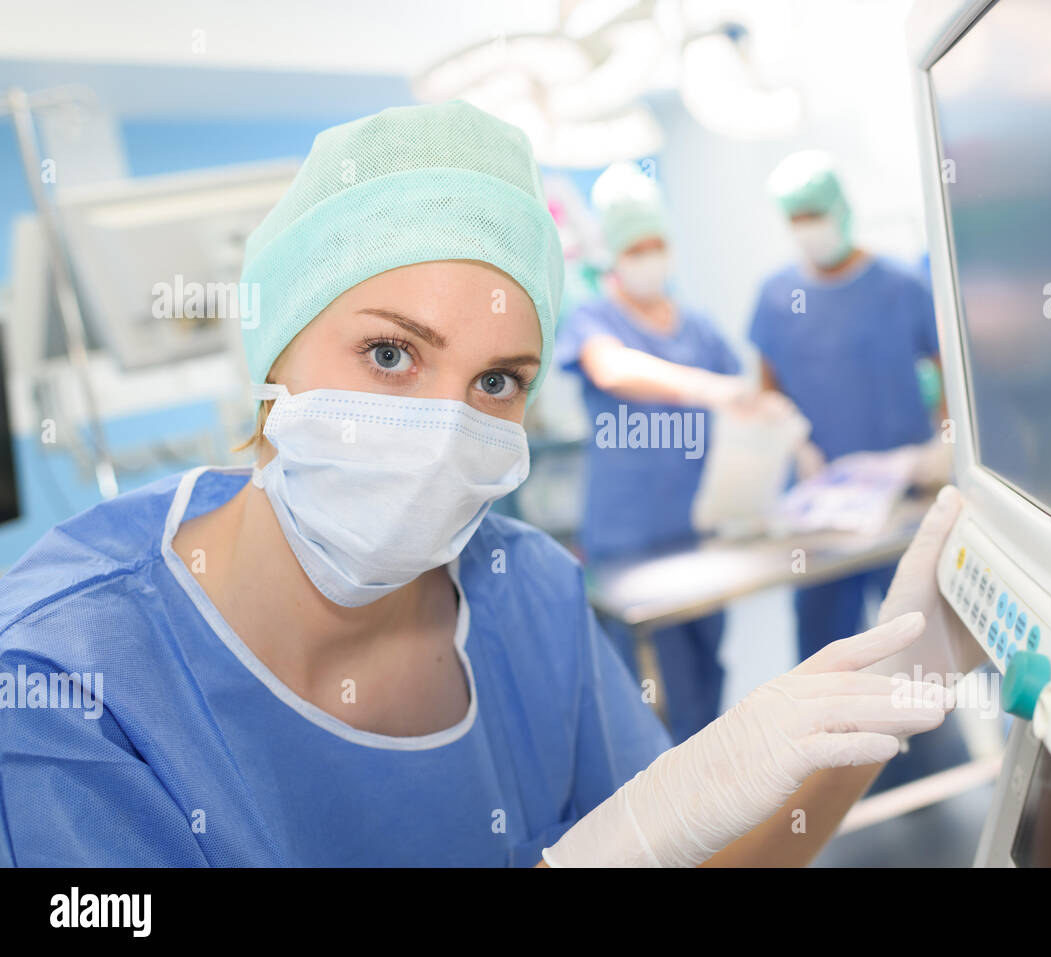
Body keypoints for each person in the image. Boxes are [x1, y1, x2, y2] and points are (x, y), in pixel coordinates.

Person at [0, 102, 959, 867]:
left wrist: (878, 706)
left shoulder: (527, 595)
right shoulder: (67, 681)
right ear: (272, 355)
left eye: (497, 381)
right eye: (390, 353)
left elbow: (687, 857)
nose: (442, 428)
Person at [555, 162, 748, 744]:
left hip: (698, 531)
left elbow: (747, 396)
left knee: (707, 672)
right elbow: (611, 367)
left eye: (656, 243)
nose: (649, 256)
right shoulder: (594, 318)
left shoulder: (699, 327)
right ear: (614, 254)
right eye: (635, 247)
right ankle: (667, 818)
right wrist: (702, 386)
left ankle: (718, 810)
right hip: (630, 542)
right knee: (648, 694)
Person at [750, 149, 945, 663]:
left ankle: (928, 744)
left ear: (840, 209)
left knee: (915, 656)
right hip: (820, 511)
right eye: (797, 219)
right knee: (825, 663)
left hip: (905, 500)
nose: (807, 228)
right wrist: (794, 443)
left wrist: (945, 452)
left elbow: (953, 368)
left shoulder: (901, 286)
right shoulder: (776, 297)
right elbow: (767, 393)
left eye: (814, 214)